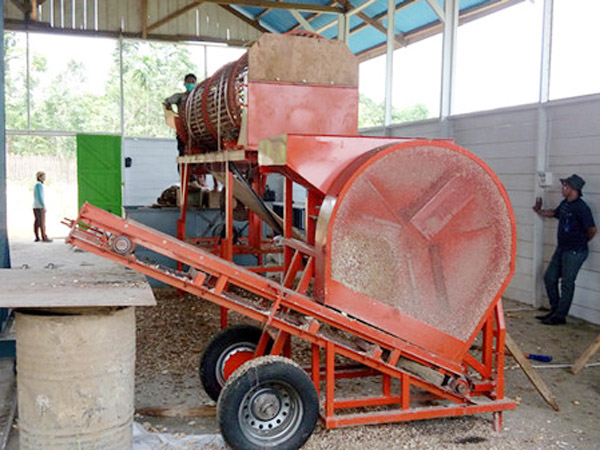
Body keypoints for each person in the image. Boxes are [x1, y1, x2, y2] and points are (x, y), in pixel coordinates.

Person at [533, 174, 596, 325]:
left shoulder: (582, 208)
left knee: (567, 283)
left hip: (575, 251)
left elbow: (592, 229)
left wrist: (581, 242)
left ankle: (560, 316)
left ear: (574, 189)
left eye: (565, 186)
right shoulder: (565, 204)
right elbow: (554, 213)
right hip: (562, 248)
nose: (563, 189)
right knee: (550, 278)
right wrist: (539, 211)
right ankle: (555, 310)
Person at [163, 73, 197, 157]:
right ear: (185, 84)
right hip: (183, 129)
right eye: (189, 82)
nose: (191, 84)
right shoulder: (180, 97)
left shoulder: (197, 97)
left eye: (193, 82)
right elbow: (167, 101)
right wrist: (169, 107)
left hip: (195, 129)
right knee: (183, 152)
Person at [33, 171, 52, 243]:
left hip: (35, 206)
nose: (45, 178)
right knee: (42, 222)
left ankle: (37, 236)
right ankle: (44, 236)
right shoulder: (39, 185)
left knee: (37, 222)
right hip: (39, 206)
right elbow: (40, 196)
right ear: (40, 177)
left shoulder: (37, 185)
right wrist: (43, 205)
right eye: (43, 176)